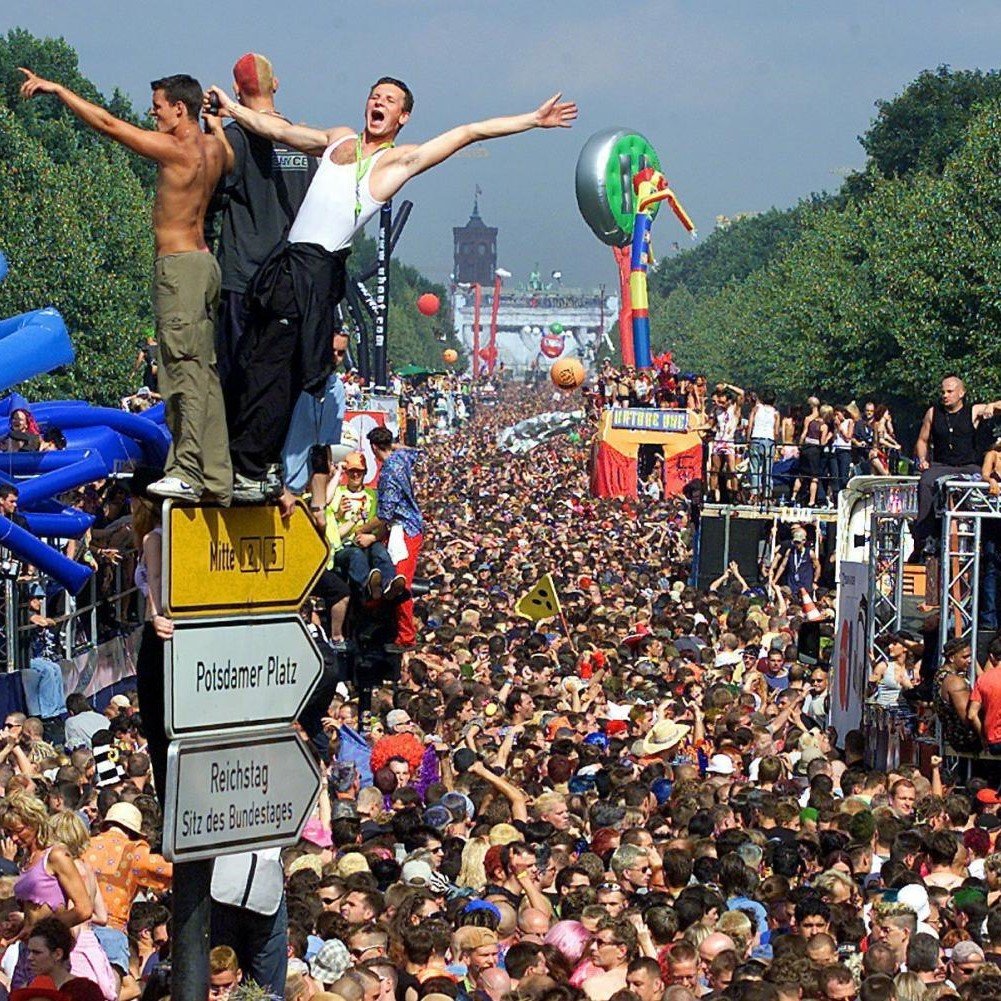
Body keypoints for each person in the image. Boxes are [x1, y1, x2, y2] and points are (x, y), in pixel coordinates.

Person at [206, 76, 575, 505]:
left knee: (277, 370)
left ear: (403, 116)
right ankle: (238, 462)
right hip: (286, 261)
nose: (378, 103)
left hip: (317, 269)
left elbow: (468, 133)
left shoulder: (398, 162)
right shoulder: (337, 139)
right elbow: (277, 130)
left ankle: (257, 469)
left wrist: (532, 119)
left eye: (389, 100)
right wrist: (232, 108)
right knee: (250, 359)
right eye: (374, 96)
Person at [19, 68, 232, 503]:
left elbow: (109, 125)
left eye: (158, 108)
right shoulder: (216, 148)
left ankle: (187, 471)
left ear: (180, 108)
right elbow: (226, 149)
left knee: (180, 372)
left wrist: (58, 90)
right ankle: (214, 475)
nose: (153, 116)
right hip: (204, 265)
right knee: (204, 374)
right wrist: (215, 120)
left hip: (179, 269)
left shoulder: (176, 150)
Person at [210, 52, 318, 391]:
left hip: (242, 279)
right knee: (278, 383)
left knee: (235, 381)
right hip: (289, 282)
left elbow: (213, 191)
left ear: (235, 90)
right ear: (276, 84)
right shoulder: (300, 142)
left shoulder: (233, 139)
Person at [910, 374, 1001, 560]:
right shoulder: (933, 413)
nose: (945, 395)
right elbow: (922, 440)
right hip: (942, 465)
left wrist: (992, 406)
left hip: (968, 465)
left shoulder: (973, 410)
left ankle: (987, 540)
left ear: (961, 393)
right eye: (943, 392)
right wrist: (922, 459)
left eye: (950, 391)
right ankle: (924, 538)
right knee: (925, 481)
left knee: (985, 483)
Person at [356, 427, 423, 650]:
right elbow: (414, 451)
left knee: (399, 584)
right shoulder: (401, 457)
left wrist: (361, 529)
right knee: (382, 576)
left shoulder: (387, 474)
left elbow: (384, 515)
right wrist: (390, 444)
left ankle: (406, 638)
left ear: (374, 448)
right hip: (405, 529)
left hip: (403, 532)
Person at [968, 633, 1001, 753]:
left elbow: (971, 715)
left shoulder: (983, 679)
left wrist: (983, 738)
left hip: (995, 741)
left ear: (991, 656)